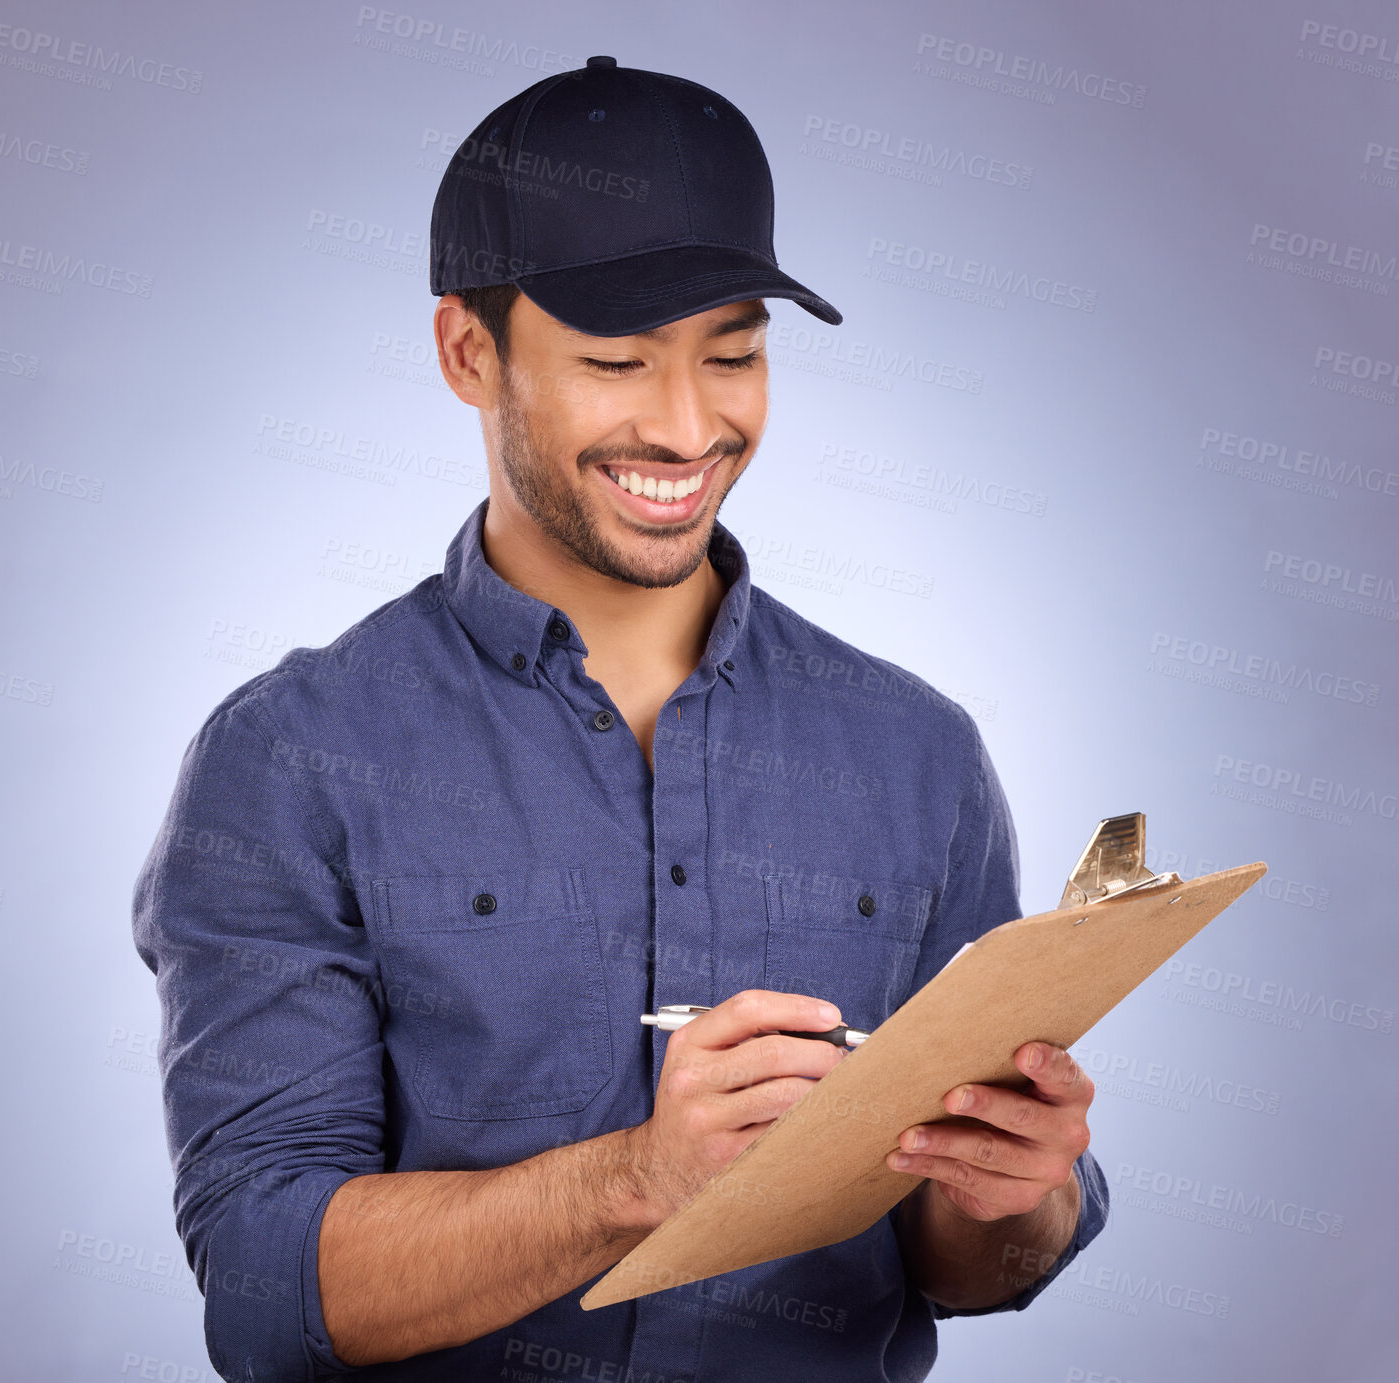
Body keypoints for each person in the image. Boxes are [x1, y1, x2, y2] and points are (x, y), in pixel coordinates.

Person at [133, 55, 1107, 1383]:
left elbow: (968, 1269)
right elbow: (264, 1286)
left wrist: (1015, 1194)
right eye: (614, 361)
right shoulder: (292, 758)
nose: (687, 424)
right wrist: (636, 1180)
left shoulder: (919, 755)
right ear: (469, 352)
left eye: (735, 353)